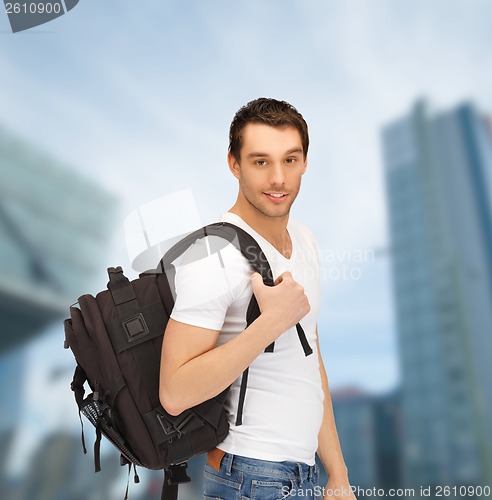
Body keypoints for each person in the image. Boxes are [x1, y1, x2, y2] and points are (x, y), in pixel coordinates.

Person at [159, 98, 355, 499]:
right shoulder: (213, 254)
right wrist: (269, 323)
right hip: (247, 474)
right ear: (234, 164)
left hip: (304, 473)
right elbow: (174, 393)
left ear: (304, 162)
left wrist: (337, 474)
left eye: (290, 159)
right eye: (261, 162)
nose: (279, 178)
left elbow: (308, 359)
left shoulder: (305, 239)